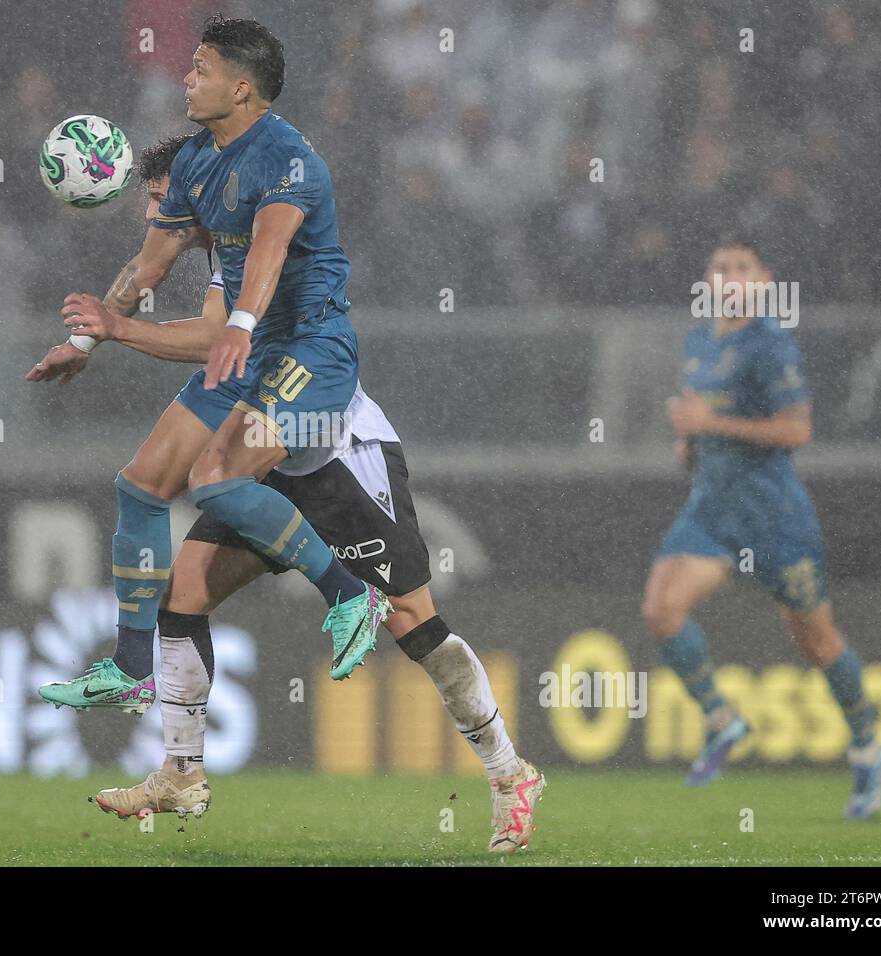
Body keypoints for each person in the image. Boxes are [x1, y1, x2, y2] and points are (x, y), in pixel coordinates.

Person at [38, 136, 544, 852]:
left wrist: (116, 330)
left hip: (335, 451)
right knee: (185, 585)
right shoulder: (226, 250)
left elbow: (217, 335)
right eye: (152, 205)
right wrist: (98, 341)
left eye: (162, 204)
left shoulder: (256, 229)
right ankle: (180, 772)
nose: (156, 219)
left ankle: (508, 772)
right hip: (266, 457)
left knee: (414, 624)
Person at [27, 16, 391, 718]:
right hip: (247, 352)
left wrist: (240, 327)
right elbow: (149, 264)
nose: (185, 79)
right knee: (140, 487)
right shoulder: (196, 159)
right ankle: (133, 668)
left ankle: (350, 594)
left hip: (308, 350)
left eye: (199, 69)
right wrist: (84, 342)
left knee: (215, 481)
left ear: (242, 87)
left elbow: (269, 252)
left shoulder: (290, 161)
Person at [645, 236, 881, 818]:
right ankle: (722, 718)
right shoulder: (699, 340)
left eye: (741, 268)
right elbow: (703, 426)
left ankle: (868, 748)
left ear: (763, 280)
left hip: (772, 517)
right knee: (661, 608)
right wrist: (690, 439)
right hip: (711, 510)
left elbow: (797, 431)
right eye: (720, 266)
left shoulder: (771, 345)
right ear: (707, 280)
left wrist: (713, 422)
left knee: (816, 639)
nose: (729, 276)